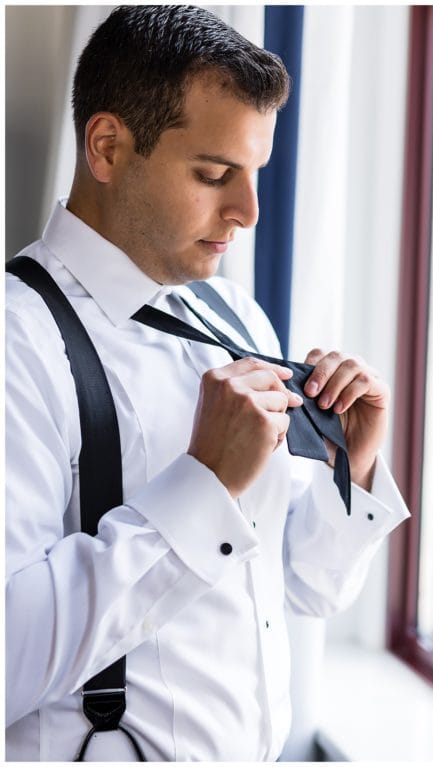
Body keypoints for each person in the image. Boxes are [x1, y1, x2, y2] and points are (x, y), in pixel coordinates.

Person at [6, 6, 409, 761]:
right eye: (216, 174)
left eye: (255, 174)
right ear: (106, 146)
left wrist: (348, 472)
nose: (248, 212)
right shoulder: (14, 344)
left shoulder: (235, 316)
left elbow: (302, 588)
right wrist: (203, 484)